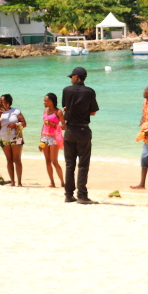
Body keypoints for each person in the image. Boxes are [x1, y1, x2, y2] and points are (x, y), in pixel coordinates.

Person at [61, 66, 99, 204]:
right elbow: (93, 112)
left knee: (69, 164)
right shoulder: (90, 92)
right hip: (83, 130)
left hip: (69, 130)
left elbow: (65, 107)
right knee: (83, 164)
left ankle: (68, 194)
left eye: (72, 76)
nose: (71, 78)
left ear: (76, 76)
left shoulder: (66, 90)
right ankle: (82, 195)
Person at [0, 93, 25, 186]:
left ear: (8, 102)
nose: (1, 103)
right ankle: (12, 181)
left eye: (2, 101)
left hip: (17, 136)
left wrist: (15, 125)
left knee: (17, 159)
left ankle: (19, 182)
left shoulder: (16, 111)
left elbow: (24, 123)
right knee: (9, 160)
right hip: (4, 138)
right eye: (0, 101)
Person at [39, 92, 65, 188]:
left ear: (51, 101)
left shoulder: (58, 112)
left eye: (45, 100)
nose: (44, 102)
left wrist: (52, 124)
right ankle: (52, 183)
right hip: (44, 137)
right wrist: (40, 141)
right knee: (47, 161)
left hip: (54, 137)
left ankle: (62, 182)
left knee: (54, 161)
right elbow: (43, 125)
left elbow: (64, 126)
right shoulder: (45, 111)